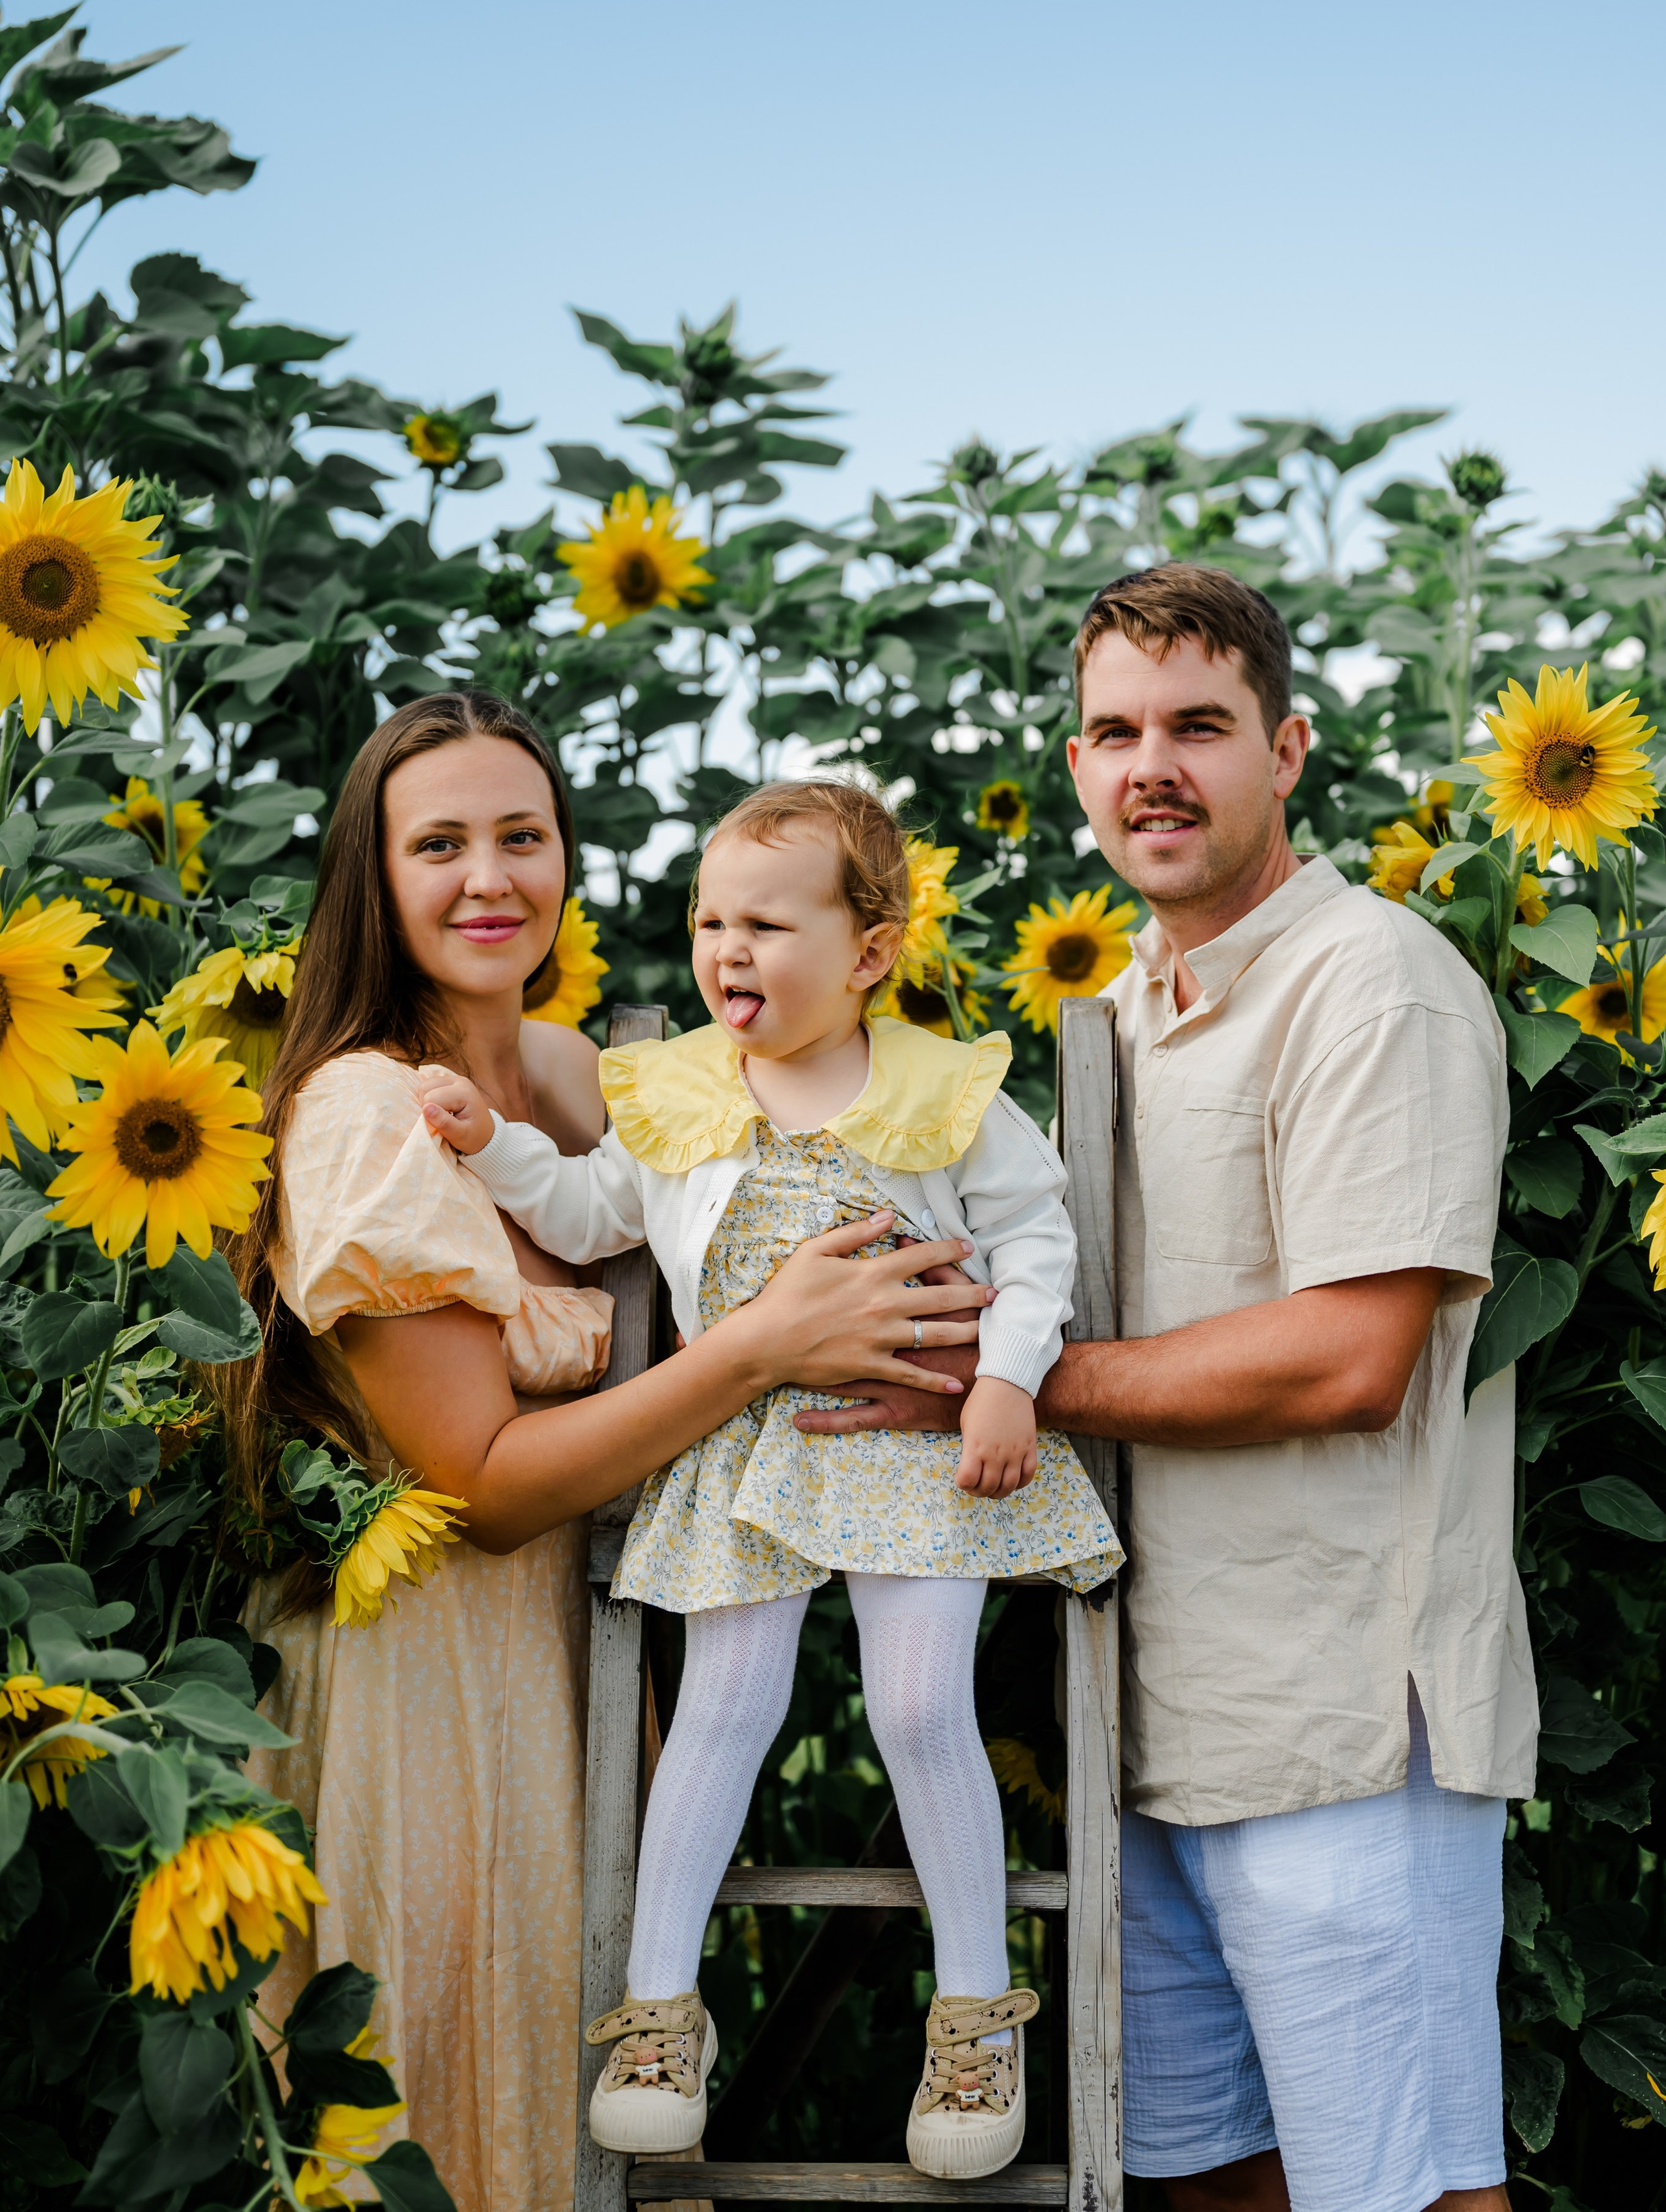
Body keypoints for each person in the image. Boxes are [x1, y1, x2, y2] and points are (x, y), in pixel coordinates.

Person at [797, 565, 1532, 2212]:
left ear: (1282, 750)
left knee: (1399, 2191)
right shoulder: (1109, 1019)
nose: (1152, 766)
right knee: (1207, 2177)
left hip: (1341, 1714)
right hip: (1142, 1716)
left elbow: (1352, 1354)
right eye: (1113, 730)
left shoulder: (1369, 979)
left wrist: (1012, 1384)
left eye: (1196, 726)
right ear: (1072, 766)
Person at [221, 697, 986, 2212]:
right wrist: (763, 1342)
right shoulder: (365, 1112)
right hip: (427, 1680)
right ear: (372, 878)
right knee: (462, 2107)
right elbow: (484, 1482)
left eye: (522, 834)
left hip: (596, 1652)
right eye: (436, 843)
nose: (487, 875)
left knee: (611, 2115)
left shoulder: (593, 1079)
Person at [417, 777, 1123, 2181]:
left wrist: (1004, 1379)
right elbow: (588, 1208)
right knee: (724, 1703)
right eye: (707, 920)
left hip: (915, 1443)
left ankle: (974, 2014)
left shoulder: (940, 1088)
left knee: (922, 1702)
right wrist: (489, 1145)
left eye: (766, 923)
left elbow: (1035, 1244)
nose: (726, 950)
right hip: (748, 1446)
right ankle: (660, 2012)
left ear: (867, 951)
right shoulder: (680, 1092)